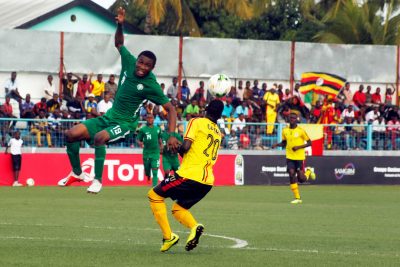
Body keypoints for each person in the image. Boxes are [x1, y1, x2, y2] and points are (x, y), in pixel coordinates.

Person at [57, 7, 180, 194]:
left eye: (147, 65)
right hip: (108, 117)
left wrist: (171, 135)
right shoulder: (129, 61)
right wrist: (120, 25)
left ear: (152, 68)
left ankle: (97, 181)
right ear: (137, 60)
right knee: (71, 134)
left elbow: (171, 109)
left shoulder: (151, 85)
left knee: (100, 138)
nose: (142, 66)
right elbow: (119, 43)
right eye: (141, 62)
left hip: (125, 123)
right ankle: (77, 173)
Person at [148, 99, 224, 252]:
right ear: (220, 115)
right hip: (207, 181)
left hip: (190, 175)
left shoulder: (196, 122)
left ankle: (168, 237)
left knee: (154, 195)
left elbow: (187, 147)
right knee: (178, 209)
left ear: (206, 109)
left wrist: (178, 147)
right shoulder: (218, 132)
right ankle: (195, 226)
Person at [272, 112, 312, 204]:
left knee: (301, 179)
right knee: (291, 173)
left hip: (299, 157)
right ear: (288, 119)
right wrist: (277, 144)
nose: (292, 119)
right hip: (290, 156)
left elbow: (310, 143)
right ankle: (297, 198)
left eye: (294, 118)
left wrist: (298, 147)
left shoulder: (301, 130)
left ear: (297, 119)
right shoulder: (285, 130)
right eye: (290, 118)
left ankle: (308, 171)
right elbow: (284, 143)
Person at [137, 114, 163, 187]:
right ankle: (148, 176)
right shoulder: (143, 130)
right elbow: (138, 140)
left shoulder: (158, 129)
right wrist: (140, 143)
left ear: (153, 119)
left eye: (151, 118)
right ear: (146, 119)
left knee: (155, 170)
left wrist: (162, 146)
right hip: (146, 153)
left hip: (155, 153)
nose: (149, 119)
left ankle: (154, 188)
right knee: (147, 169)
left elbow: (160, 138)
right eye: (148, 118)